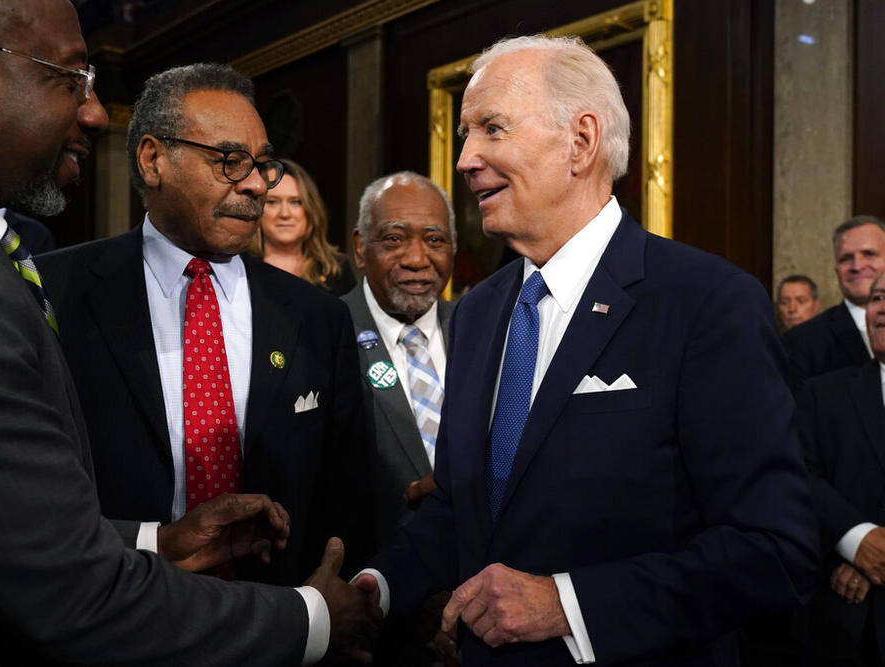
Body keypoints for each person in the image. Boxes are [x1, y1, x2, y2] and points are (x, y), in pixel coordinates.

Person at [0, 1, 372, 663]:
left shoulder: (316, 315)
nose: (91, 111)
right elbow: (67, 584)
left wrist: (157, 541)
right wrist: (312, 618)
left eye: (263, 163)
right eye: (71, 79)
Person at [352, 34, 818, 666]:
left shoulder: (706, 302)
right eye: (466, 135)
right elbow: (463, 506)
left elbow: (774, 550)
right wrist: (374, 589)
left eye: (491, 128)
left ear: (581, 141)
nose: (465, 159)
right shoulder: (478, 313)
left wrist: (567, 606)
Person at [37, 63, 373, 587]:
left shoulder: (317, 317)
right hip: (113, 613)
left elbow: (348, 492)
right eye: (232, 161)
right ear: (154, 161)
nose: (258, 185)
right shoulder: (52, 291)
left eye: (264, 165)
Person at [342, 171, 458, 665]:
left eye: (435, 240)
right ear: (359, 247)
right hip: (373, 622)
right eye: (394, 239)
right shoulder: (322, 333)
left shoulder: (488, 328)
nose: (417, 259)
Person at [795, 270, 885, 666]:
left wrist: (876, 558)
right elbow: (799, 475)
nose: (882, 310)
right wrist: (855, 541)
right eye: (878, 298)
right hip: (846, 621)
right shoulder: (823, 394)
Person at [783, 216, 885, 389]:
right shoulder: (801, 342)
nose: (857, 266)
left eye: (869, 254)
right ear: (836, 270)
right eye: (846, 258)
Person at [250, 158, 356, 295]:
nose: (284, 214)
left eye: (295, 202)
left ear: (311, 209)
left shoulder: (337, 270)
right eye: (272, 202)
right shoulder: (240, 266)